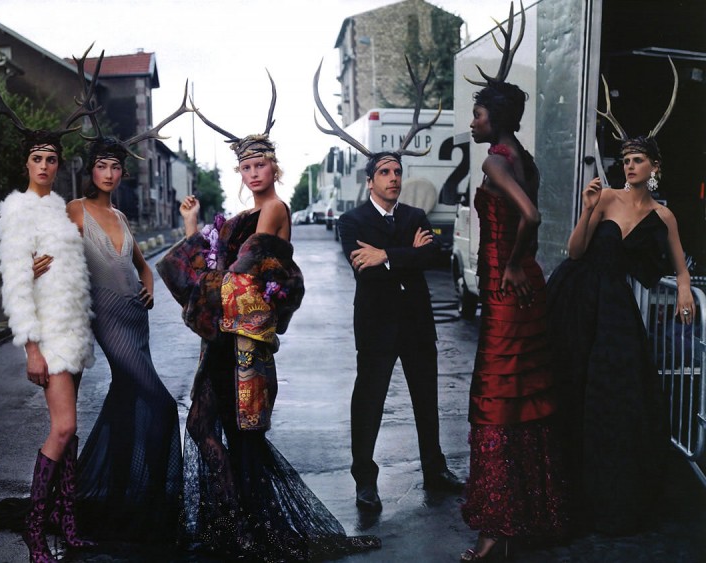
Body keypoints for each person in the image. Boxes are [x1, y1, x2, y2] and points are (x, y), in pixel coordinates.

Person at [155, 75, 381, 561]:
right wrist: (197, 232)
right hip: (226, 339)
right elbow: (223, 271)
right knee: (204, 426)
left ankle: (248, 529)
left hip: (244, 343)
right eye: (245, 166)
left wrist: (202, 248)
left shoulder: (274, 208)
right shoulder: (247, 213)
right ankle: (236, 520)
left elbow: (237, 276)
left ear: (274, 167)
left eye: (259, 164)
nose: (253, 172)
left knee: (241, 435)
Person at [546, 58, 691, 536]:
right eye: (625, 160)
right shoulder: (604, 197)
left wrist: (686, 291)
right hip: (577, 294)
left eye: (638, 160)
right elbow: (574, 250)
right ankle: (564, 490)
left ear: (654, 167)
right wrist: (588, 210)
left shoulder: (664, 215)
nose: (629, 166)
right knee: (573, 387)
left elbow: (678, 263)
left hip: (615, 307)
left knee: (617, 393)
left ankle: (615, 493)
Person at [314, 60, 464, 514]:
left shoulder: (416, 217)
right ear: (370, 181)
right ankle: (365, 479)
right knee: (370, 402)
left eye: (398, 172)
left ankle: (434, 469)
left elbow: (432, 255)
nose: (394, 179)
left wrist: (388, 257)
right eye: (385, 173)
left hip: (418, 324)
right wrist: (402, 257)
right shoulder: (352, 220)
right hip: (377, 326)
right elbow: (363, 267)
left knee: (426, 399)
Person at [458, 5, 569, 560]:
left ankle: (496, 532)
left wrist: (508, 265)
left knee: (496, 400)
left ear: (493, 119)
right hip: (528, 291)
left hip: (508, 295)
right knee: (526, 399)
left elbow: (531, 216)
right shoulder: (520, 153)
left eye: (476, 114)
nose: (472, 122)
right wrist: (522, 266)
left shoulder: (496, 161)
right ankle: (531, 514)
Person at [0, 47, 101, 562]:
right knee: (64, 427)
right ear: (26, 164)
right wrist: (31, 347)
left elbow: (73, 274)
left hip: (74, 332)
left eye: (52, 159)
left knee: (70, 433)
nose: (46, 165)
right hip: (48, 338)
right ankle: (37, 532)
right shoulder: (18, 212)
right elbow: (15, 285)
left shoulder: (59, 207)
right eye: (38, 159)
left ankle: (67, 524)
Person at [43, 135, 185, 542]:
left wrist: (150, 288)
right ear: (91, 170)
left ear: (122, 173)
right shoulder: (75, 210)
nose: (108, 174)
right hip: (105, 319)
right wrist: (36, 265)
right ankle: (156, 503)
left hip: (136, 319)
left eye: (116, 167)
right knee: (160, 404)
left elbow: (142, 266)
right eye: (102, 166)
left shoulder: (121, 217)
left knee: (126, 408)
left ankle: (125, 498)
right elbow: (53, 255)